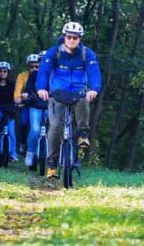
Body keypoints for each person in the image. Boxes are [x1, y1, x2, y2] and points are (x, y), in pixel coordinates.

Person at [36, 21, 101, 179]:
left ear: (80, 39)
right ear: (64, 37)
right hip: (57, 93)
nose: (72, 40)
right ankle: (52, 164)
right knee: (55, 126)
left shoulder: (87, 54)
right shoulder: (54, 52)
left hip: (78, 91)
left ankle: (83, 135)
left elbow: (94, 71)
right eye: (69, 37)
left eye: (75, 38)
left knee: (85, 99)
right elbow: (44, 71)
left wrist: (94, 89)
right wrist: (41, 88)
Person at [19, 53, 47, 167]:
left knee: (54, 129)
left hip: (50, 106)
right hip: (35, 106)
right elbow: (29, 89)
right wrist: (27, 95)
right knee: (35, 129)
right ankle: (30, 152)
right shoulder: (34, 74)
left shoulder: (56, 74)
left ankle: (55, 155)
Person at [0, 61, 19, 161]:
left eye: (5, 71)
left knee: (11, 132)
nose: (2, 73)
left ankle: (13, 153)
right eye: (0, 71)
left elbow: (16, 96)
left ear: (8, 72)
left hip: (10, 109)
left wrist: (18, 101)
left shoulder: (12, 84)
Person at [13, 55, 36, 156]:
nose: (34, 69)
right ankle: (22, 143)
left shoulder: (45, 76)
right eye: (31, 67)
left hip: (41, 104)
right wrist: (21, 98)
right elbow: (17, 96)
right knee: (24, 122)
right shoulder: (22, 76)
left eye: (36, 67)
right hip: (26, 105)